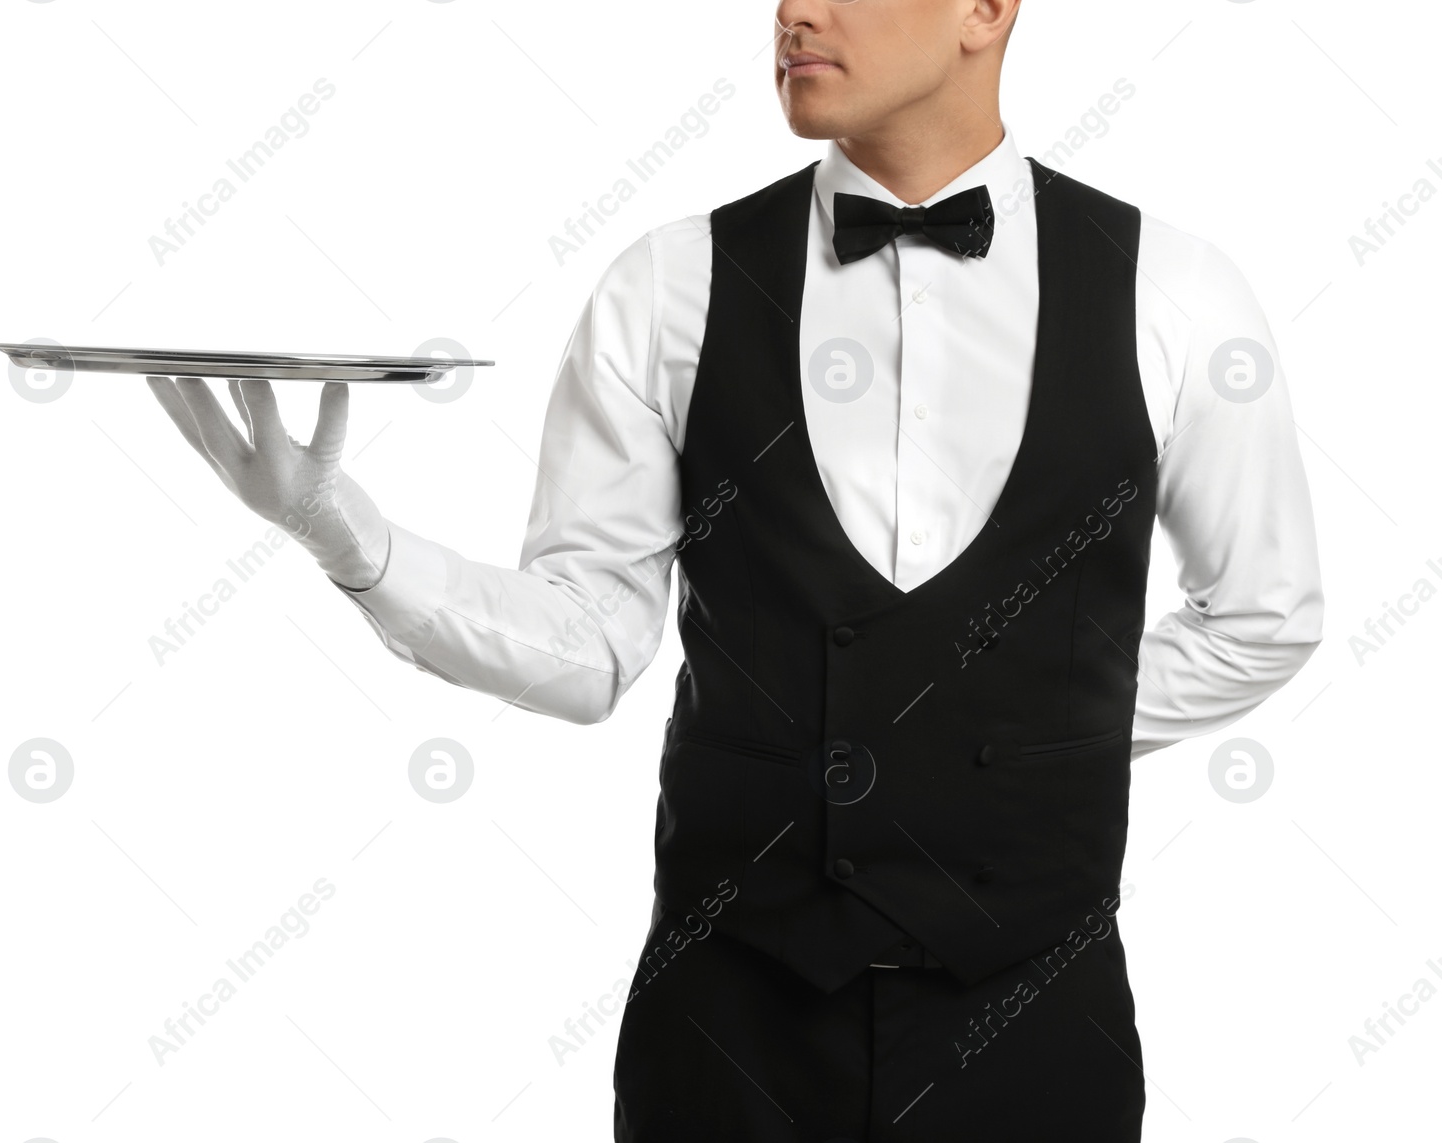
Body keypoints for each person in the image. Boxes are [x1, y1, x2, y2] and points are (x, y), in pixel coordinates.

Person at [148, 0, 1323, 1138]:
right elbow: (591, 647)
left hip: (1033, 1018)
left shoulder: (1173, 290)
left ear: (983, 9)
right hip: (728, 1031)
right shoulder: (669, 286)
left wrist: (1032, 731)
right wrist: (360, 548)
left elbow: (1263, 616)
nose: (792, 14)